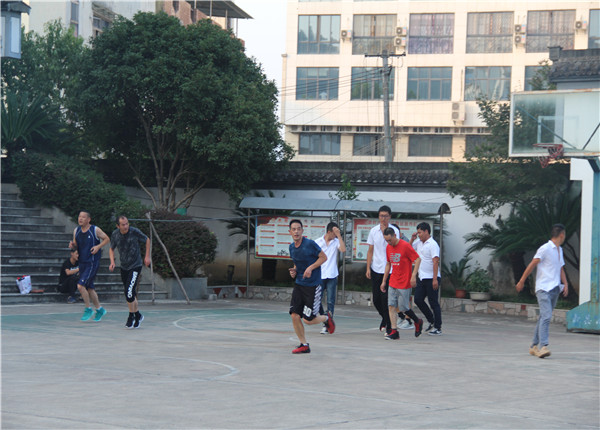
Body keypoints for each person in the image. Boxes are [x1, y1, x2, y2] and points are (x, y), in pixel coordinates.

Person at [516, 224, 568, 359]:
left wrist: (565, 284)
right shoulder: (545, 248)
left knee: (543, 316)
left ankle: (533, 346)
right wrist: (521, 281)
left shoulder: (560, 250)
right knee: (546, 316)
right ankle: (543, 346)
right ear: (561, 235)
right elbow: (532, 264)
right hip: (543, 288)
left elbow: (561, 268)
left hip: (555, 288)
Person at [288, 219, 335, 354]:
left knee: (308, 320)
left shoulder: (310, 244)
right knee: (294, 315)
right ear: (290, 232)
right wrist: (294, 271)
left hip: (313, 286)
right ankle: (304, 344)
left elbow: (323, 258)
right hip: (299, 284)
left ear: (302, 231)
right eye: (294, 229)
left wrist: (311, 267)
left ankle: (327, 318)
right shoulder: (291, 248)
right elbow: (297, 263)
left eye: (299, 229)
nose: (296, 232)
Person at [109, 216, 151, 329]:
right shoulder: (115, 234)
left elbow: (147, 240)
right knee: (129, 292)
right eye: (123, 224)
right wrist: (112, 262)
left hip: (135, 265)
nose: (126, 226)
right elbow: (111, 248)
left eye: (127, 223)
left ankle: (131, 316)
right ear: (118, 226)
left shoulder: (134, 231)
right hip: (124, 267)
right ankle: (138, 315)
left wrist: (147, 256)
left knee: (129, 292)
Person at [381, 227, 423, 340]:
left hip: (405, 282)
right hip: (393, 281)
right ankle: (394, 331)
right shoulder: (388, 247)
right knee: (391, 305)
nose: (389, 242)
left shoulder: (405, 246)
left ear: (395, 235)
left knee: (404, 307)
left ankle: (417, 321)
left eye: (390, 240)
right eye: (386, 241)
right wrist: (384, 281)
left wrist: (413, 276)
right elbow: (388, 264)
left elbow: (418, 259)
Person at [69, 210, 110, 322]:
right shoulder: (76, 230)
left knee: (80, 286)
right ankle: (100, 309)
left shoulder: (94, 230)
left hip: (92, 262)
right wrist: (72, 246)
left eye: (83, 217)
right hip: (82, 262)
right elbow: (76, 245)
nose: (80, 219)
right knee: (90, 288)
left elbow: (107, 239)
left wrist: (98, 247)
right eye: (79, 216)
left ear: (88, 219)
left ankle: (88, 309)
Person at [366, 205, 399, 335]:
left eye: (385, 216)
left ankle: (389, 326)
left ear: (390, 217)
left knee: (386, 299)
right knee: (376, 300)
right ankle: (385, 319)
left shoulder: (394, 231)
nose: (383, 218)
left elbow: (397, 248)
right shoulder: (373, 231)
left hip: (389, 270)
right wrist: (368, 267)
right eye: (381, 216)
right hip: (376, 268)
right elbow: (370, 251)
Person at [410, 222, 442, 336]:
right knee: (418, 299)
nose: (418, 235)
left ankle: (438, 327)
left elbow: (435, 262)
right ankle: (431, 320)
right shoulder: (418, 243)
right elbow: (408, 248)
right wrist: (412, 239)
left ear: (426, 231)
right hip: (422, 277)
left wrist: (435, 279)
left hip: (431, 277)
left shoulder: (433, 244)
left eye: (420, 232)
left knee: (433, 303)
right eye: (417, 233)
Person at [315, 222, 346, 334]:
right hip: (320, 275)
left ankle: (327, 324)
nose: (335, 235)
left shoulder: (336, 241)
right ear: (329, 232)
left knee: (330, 301)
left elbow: (343, 249)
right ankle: (325, 319)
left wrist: (339, 236)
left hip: (332, 275)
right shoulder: (318, 242)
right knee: (317, 300)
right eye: (334, 233)